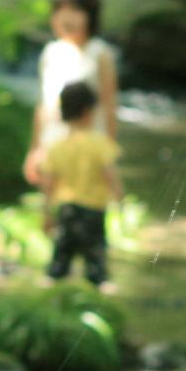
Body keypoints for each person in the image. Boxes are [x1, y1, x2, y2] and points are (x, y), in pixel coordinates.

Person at [23, 0, 118, 187]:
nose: (68, 19)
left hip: (89, 145)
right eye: (61, 11)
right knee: (52, 205)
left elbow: (109, 106)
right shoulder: (51, 53)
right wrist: (35, 148)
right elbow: (43, 106)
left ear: (90, 17)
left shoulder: (101, 54)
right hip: (54, 142)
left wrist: (108, 152)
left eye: (76, 11)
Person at [38, 80, 122, 287]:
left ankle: (52, 287)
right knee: (96, 257)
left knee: (61, 254)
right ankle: (100, 289)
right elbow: (110, 175)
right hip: (93, 210)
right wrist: (120, 198)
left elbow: (48, 184)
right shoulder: (100, 143)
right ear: (88, 112)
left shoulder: (56, 147)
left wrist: (46, 213)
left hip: (66, 209)